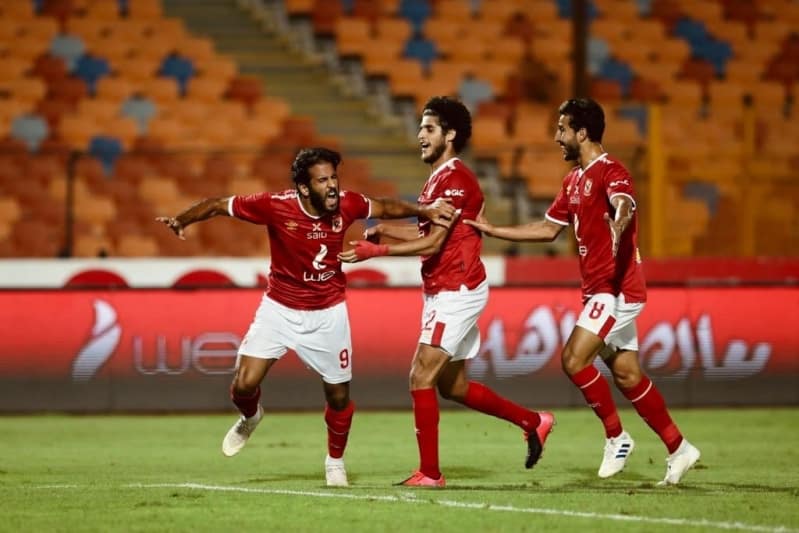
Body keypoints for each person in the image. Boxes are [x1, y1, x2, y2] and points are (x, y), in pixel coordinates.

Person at [157, 147, 456, 487]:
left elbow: (386, 207)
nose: (332, 186)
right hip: (279, 309)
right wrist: (182, 219)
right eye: (322, 180)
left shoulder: (348, 203)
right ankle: (251, 416)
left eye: (333, 178)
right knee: (244, 384)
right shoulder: (274, 205)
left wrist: (424, 209)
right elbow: (216, 204)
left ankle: (335, 462)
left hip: (328, 313)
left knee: (338, 396)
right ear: (303, 188)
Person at [463, 98, 701, 486]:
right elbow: (547, 229)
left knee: (573, 359)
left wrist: (620, 221)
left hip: (617, 290)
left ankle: (616, 437)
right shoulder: (573, 180)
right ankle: (679, 448)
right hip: (596, 291)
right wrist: (493, 231)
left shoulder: (612, 171)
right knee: (627, 374)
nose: (557, 137)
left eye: (563, 129)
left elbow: (623, 203)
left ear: (583, 132)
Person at [339, 97, 555, 487]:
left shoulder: (456, 180)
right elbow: (429, 233)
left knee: (420, 375)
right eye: (420, 128)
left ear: (450, 134)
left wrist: (378, 252)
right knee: (452, 386)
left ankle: (430, 473)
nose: (420, 135)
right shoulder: (436, 180)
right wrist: (385, 230)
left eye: (429, 128)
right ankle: (533, 421)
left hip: (457, 289)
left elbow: (434, 243)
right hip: (443, 288)